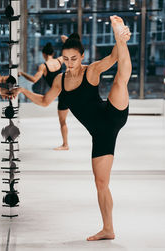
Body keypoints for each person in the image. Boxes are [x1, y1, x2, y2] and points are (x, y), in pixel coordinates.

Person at [12, 15, 131, 241]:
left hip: (113, 113)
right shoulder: (60, 80)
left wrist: (120, 40)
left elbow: (114, 57)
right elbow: (46, 101)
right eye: (66, 59)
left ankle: (120, 33)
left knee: (120, 80)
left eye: (74, 58)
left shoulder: (92, 70)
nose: (70, 62)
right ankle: (108, 229)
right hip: (100, 134)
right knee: (101, 183)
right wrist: (23, 91)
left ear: (82, 57)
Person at [19, 40, 70, 150]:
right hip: (68, 92)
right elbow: (70, 54)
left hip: (58, 93)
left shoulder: (43, 66)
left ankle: (65, 145)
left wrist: (22, 73)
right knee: (65, 119)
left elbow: (34, 80)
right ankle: (65, 144)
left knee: (61, 120)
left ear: (43, 54)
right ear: (53, 53)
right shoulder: (60, 60)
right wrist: (66, 41)